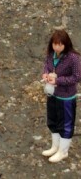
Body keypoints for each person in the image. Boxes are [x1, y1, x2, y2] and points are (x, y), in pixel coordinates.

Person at [41, 29, 81, 163]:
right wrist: (45, 74)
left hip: (66, 97)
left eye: (60, 44)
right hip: (52, 93)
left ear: (66, 44)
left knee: (65, 124)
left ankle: (63, 151)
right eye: (54, 44)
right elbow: (46, 66)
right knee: (52, 120)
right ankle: (55, 146)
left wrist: (58, 80)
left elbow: (76, 77)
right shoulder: (51, 54)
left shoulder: (74, 58)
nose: (56, 47)